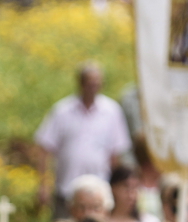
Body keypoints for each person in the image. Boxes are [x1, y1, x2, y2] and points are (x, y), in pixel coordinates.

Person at [35, 62, 132, 211]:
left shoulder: (111, 111)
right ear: (81, 83)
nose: (93, 86)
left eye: (96, 82)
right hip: (66, 190)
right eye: (89, 82)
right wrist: (43, 185)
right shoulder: (62, 111)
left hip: (99, 192)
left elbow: (116, 154)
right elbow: (44, 148)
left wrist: (115, 186)